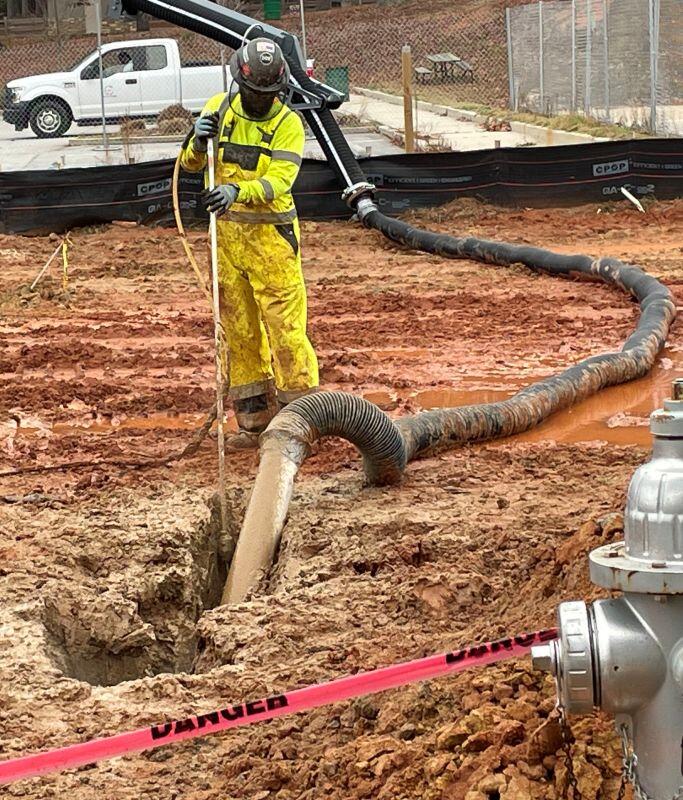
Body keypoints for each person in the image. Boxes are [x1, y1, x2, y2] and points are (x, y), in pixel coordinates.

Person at [180, 38, 319, 448]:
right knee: (239, 330)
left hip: (272, 242)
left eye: (268, 94)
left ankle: (303, 422)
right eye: (254, 93)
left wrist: (236, 192)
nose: (260, 101)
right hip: (227, 243)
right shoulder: (218, 109)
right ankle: (255, 424)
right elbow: (189, 164)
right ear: (240, 84)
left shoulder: (287, 124)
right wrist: (195, 139)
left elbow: (280, 180)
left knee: (286, 330)